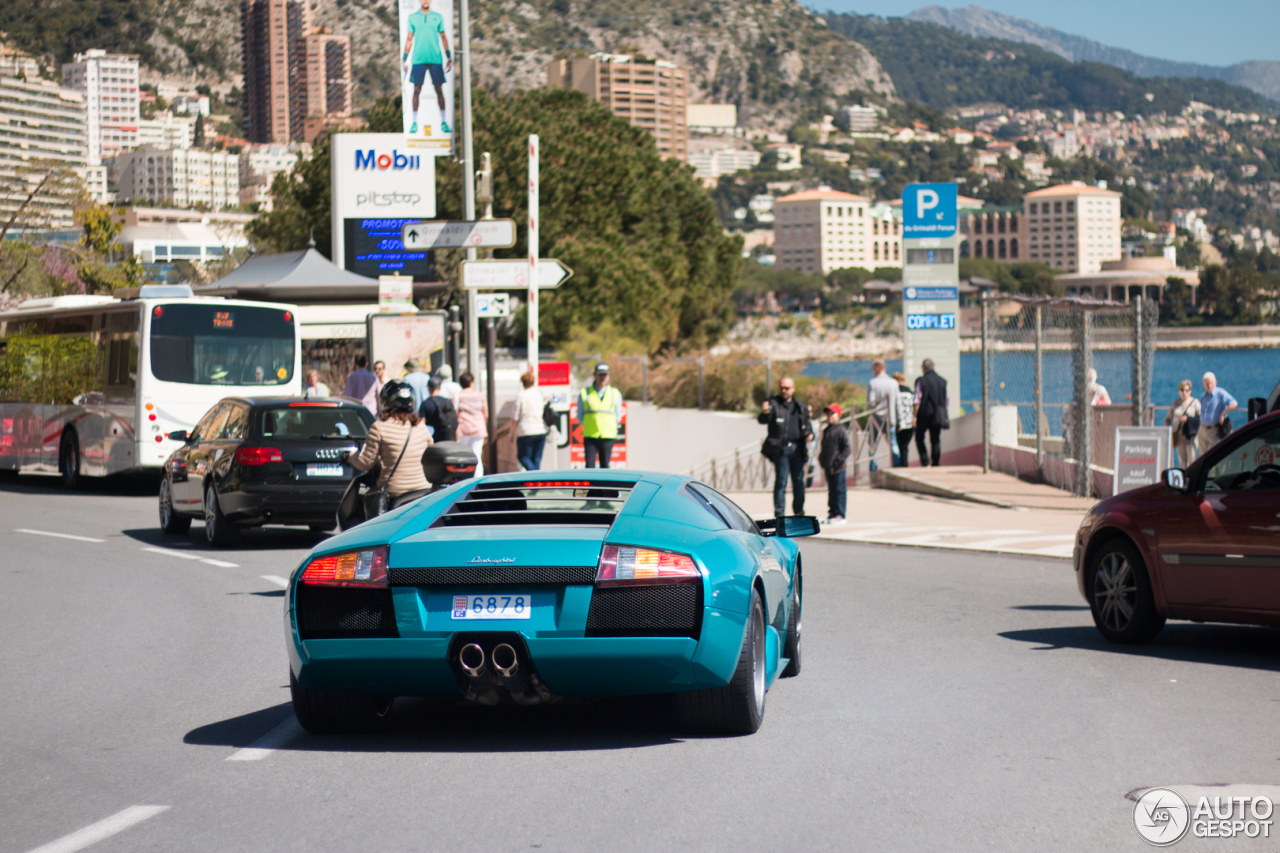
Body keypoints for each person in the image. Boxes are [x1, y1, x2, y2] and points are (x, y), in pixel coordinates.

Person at [345, 379, 433, 511]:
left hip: (393, 496)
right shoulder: (420, 426)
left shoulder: (379, 427)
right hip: (423, 492)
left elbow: (365, 463)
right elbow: (431, 453)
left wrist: (349, 456)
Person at [759, 376, 815, 517]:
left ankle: (799, 512)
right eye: (781, 388)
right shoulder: (773, 404)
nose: (784, 391)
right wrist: (765, 411)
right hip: (781, 449)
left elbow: (808, 428)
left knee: (798, 481)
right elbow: (762, 420)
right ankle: (779, 514)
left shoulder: (800, 406)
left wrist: (809, 435)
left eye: (787, 388)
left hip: (798, 449)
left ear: (793, 388)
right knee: (781, 481)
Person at [402, 0, 451, 136]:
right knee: (416, 90)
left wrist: (448, 56)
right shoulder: (412, 18)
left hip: (435, 59)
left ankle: (443, 121)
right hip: (418, 59)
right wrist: (404, 58)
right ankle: (414, 122)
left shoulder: (438, 17)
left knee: (439, 90)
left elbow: (443, 37)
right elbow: (409, 39)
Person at [579, 363, 624, 469]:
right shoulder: (585, 393)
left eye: (605, 374)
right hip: (590, 435)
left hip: (608, 435)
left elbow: (618, 416)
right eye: (600, 374)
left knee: (605, 466)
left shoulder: (615, 393)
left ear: (608, 376)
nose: (602, 377)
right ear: (594, 375)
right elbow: (579, 416)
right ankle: (590, 486)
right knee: (589, 465)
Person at [817, 404, 851, 524]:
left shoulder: (841, 429)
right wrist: (822, 459)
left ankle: (840, 514)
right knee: (831, 491)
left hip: (838, 468)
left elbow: (847, 449)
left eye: (832, 413)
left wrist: (838, 460)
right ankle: (832, 513)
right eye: (828, 414)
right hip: (828, 467)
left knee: (839, 490)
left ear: (838, 415)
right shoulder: (826, 430)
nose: (830, 416)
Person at [912, 359, 949, 467]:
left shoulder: (921, 381)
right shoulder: (943, 381)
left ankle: (925, 461)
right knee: (935, 439)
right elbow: (947, 400)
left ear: (923, 368)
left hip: (924, 413)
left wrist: (914, 416)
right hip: (938, 414)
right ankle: (936, 462)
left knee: (919, 437)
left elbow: (916, 400)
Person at [866, 358, 898, 471]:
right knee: (893, 444)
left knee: (873, 445)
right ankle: (897, 465)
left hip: (875, 419)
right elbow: (897, 403)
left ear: (877, 368)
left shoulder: (872, 383)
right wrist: (899, 420)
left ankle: (873, 468)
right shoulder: (894, 383)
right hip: (890, 418)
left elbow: (871, 402)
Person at [455, 372, 489, 476]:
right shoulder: (480, 395)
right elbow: (486, 414)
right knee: (477, 455)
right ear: (471, 383)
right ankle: (477, 479)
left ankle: (465, 478)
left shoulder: (457, 396)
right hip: (478, 429)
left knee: (464, 456)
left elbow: (455, 414)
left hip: (463, 429)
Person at [513, 370, 548, 471]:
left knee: (523, 457)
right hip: (541, 429)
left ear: (522, 382)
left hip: (526, 431)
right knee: (537, 459)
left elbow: (515, 416)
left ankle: (536, 476)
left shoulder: (521, 396)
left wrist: (511, 432)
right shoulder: (540, 394)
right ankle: (536, 483)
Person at [1198, 371, 1238, 455]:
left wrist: (1223, 413)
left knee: (1213, 454)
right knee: (1202, 455)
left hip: (1214, 430)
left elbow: (1234, 403)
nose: (1209, 385)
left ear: (1215, 382)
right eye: (1207, 383)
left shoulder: (1220, 393)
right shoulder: (1203, 396)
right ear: (1203, 384)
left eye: (1211, 383)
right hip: (1202, 429)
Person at [1165, 379, 1201, 468]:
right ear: (1179, 391)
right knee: (1182, 460)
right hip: (1179, 435)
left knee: (1192, 459)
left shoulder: (1195, 403)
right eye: (1182, 390)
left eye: (1187, 390)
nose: (1184, 392)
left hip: (1190, 436)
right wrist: (1167, 431)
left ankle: (1192, 479)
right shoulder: (1175, 403)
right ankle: (1183, 478)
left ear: (1190, 391)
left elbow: (1200, 419)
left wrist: (1188, 419)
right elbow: (1168, 419)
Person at [419, 376, 458, 441]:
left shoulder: (425, 403)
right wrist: (457, 439)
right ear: (440, 387)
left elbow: (422, 425)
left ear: (429, 388)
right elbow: (455, 421)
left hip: (433, 440)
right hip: (448, 438)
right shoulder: (448, 402)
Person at [892, 371, 915, 468]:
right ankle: (904, 465)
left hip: (898, 423)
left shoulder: (895, 392)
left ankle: (900, 466)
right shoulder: (910, 392)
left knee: (897, 446)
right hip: (909, 423)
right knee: (905, 447)